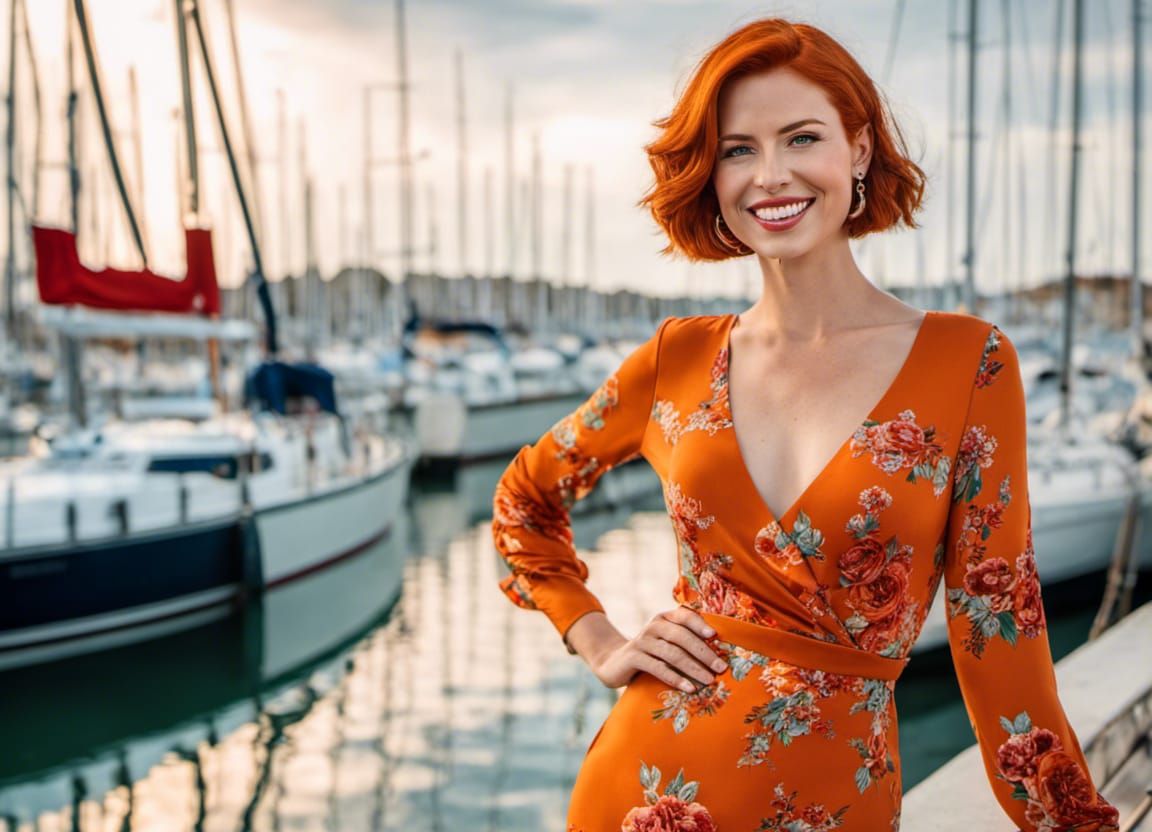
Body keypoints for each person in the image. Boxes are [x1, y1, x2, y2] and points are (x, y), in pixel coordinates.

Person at [491, 16, 1120, 832]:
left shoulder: (969, 364)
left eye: (801, 138)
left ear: (858, 149)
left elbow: (1001, 637)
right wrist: (598, 637)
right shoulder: (675, 362)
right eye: (738, 149)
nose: (770, 175)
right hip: (640, 791)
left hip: (833, 805)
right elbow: (523, 505)